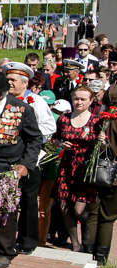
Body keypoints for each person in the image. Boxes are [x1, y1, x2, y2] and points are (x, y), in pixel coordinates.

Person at [0, 72, 43, 268]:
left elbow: (34, 139)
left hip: (8, 167)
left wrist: (25, 164)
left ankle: (4, 251)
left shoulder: (21, 109)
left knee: (6, 211)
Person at [2, 62, 56, 256]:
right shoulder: (3, 100)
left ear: (25, 83)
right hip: (7, 158)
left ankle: (27, 240)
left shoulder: (35, 101)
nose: (9, 83)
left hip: (30, 156)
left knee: (29, 199)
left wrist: (28, 133)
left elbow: (50, 127)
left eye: (13, 80)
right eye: (7, 79)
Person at [52, 84, 104, 252]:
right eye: (76, 98)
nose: (79, 102)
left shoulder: (97, 121)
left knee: (79, 209)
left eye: (83, 99)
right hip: (67, 166)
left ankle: (87, 228)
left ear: (90, 101)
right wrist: (61, 144)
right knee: (64, 206)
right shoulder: (64, 118)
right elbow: (54, 139)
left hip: (85, 168)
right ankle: (75, 243)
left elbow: (103, 147)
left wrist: (102, 141)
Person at [86, 85, 117, 266]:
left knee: (93, 214)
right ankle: (101, 258)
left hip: (96, 172)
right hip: (114, 177)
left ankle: (87, 254)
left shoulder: (100, 119)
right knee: (108, 218)